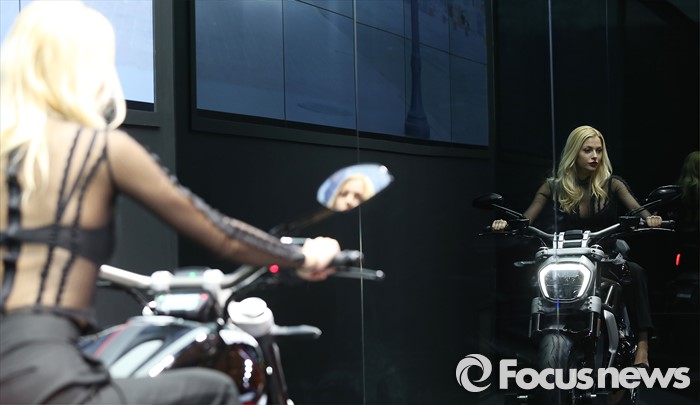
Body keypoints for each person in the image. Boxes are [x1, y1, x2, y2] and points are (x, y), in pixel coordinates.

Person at [0, 2, 340, 404]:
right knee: (217, 390)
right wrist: (302, 257)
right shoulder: (99, 148)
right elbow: (219, 231)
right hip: (48, 376)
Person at [491, 125, 662, 370]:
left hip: (603, 258)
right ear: (574, 152)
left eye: (599, 150)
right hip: (564, 258)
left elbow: (638, 210)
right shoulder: (553, 186)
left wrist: (651, 219)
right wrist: (506, 224)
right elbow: (527, 218)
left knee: (635, 272)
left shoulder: (612, 184)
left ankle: (643, 347)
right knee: (531, 278)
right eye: (587, 150)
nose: (595, 156)